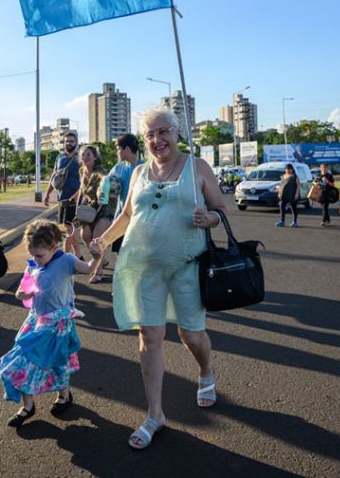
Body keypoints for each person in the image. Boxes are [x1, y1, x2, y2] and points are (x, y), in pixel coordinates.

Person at [89, 107, 226, 450]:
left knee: (191, 335)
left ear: (178, 133)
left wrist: (209, 218)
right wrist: (103, 242)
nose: (156, 140)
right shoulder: (138, 173)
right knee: (150, 337)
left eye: (163, 131)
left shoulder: (197, 167)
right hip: (142, 266)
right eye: (150, 134)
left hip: (186, 266)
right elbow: (125, 215)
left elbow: (222, 209)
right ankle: (154, 414)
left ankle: (206, 372)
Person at [0, 220, 91, 427]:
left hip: (57, 325)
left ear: (54, 247)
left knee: (58, 361)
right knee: (24, 361)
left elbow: (89, 269)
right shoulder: (33, 265)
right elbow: (20, 292)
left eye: (40, 255)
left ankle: (64, 396)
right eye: (32, 254)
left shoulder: (66, 260)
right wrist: (23, 293)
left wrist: (99, 255)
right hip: (36, 321)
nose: (35, 260)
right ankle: (28, 406)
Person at [75, 145, 114, 283]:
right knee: (85, 236)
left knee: (97, 238)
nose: (86, 157)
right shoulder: (81, 171)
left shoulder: (101, 172)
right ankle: (100, 258)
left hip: (104, 208)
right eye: (83, 155)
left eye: (89, 155)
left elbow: (104, 189)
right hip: (89, 209)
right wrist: (78, 205)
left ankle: (99, 271)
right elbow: (82, 189)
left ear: (95, 157)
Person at [103, 133, 142, 254]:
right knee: (119, 253)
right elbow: (105, 187)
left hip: (138, 220)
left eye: (118, 149)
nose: (117, 152)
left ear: (127, 149)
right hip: (120, 218)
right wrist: (102, 192)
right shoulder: (117, 168)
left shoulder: (144, 168)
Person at [44, 131, 81, 256]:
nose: (69, 143)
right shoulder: (59, 158)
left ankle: (68, 257)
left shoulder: (80, 158)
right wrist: (47, 193)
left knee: (68, 229)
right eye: (67, 141)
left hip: (75, 199)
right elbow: (54, 176)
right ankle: (78, 255)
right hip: (62, 197)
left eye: (71, 141)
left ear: (76, 142)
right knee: (67, 228)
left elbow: (86, 178)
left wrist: (79, 194)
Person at [276, 163, 300, 227]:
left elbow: (298, 186)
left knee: (293, 208)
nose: (288, 170)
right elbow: (281, 185)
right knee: (281, 206)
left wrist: (297, 194)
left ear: (292, 169)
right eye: (287, 169)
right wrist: (279, 192)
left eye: (289, 169)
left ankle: (294, 222)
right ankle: (282, 221)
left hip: (292, 194)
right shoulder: (283, 176)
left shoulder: (294, 176)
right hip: (284, 195)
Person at [314, 163, 336, 227]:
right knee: (324, 208)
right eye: (322, 167)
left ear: (327, 168)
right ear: (320, 168)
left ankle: (324, 221)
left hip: (327, 194)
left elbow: (333, 185)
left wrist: (327, 181)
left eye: (324, 167)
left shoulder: (329, 176)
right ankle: (328, 220)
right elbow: (314, 183)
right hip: (320, 194)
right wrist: (316, 184)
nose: (323, 168)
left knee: (325, 207)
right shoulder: (318, 175)